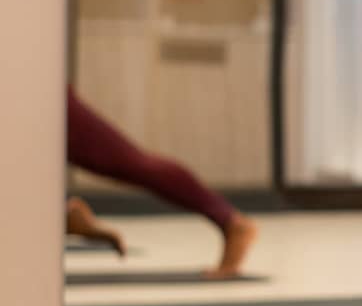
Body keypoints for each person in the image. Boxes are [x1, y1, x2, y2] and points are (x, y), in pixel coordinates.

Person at [65, 86, 258, 277]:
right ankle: (64, 219)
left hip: (51, 95)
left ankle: (230, 221)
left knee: (131, 163)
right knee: (128, 162)